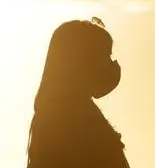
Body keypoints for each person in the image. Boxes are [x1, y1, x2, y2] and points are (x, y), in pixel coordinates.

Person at [26, 18, 130, 168]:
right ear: (82, 59)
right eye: (105, 54)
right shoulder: (64, 118)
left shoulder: (74, 112)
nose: (111, 63)